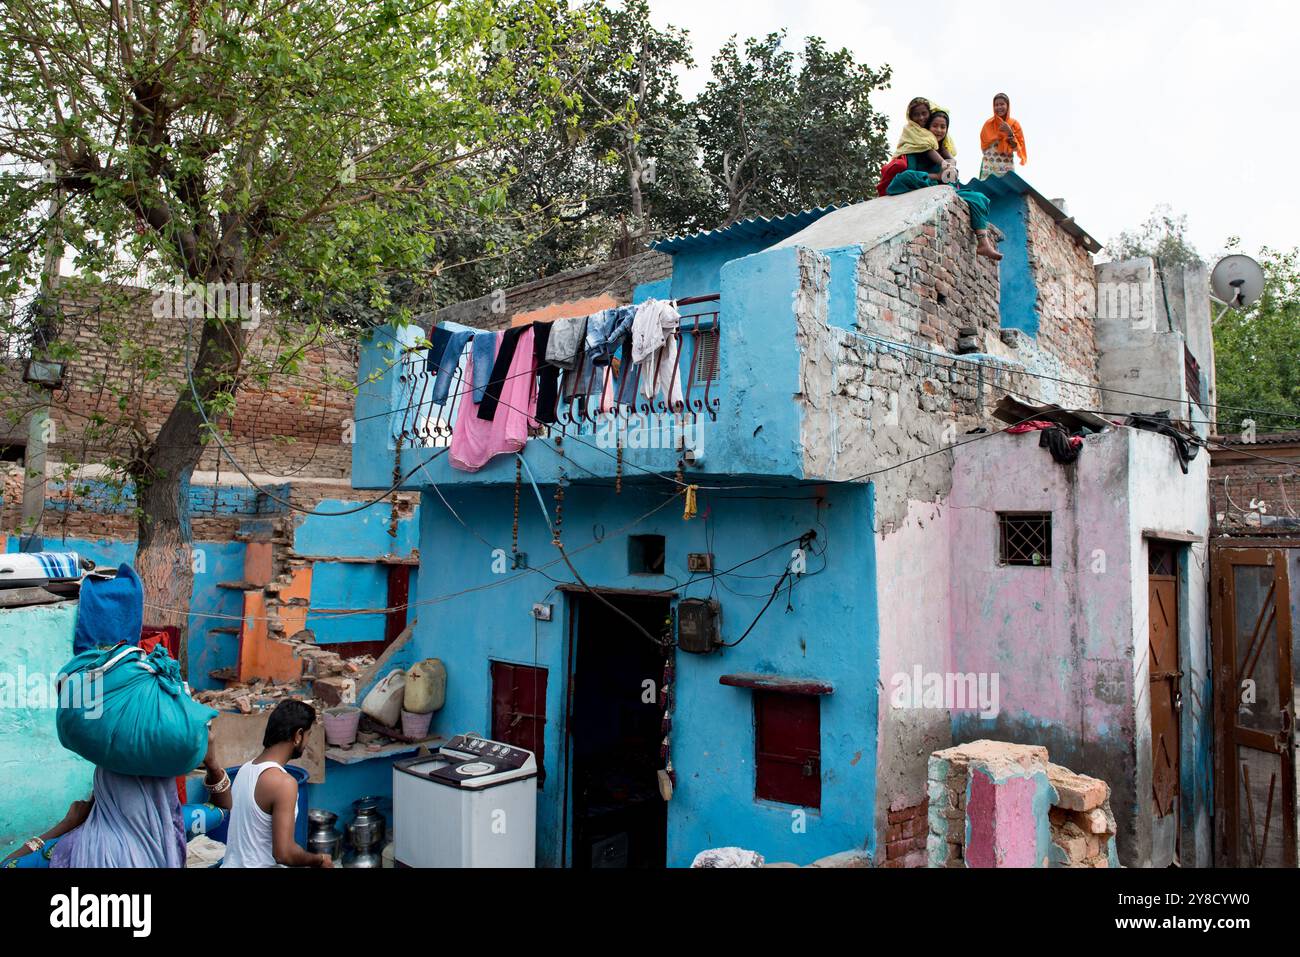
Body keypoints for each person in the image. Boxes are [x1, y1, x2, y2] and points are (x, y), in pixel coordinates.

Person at [2, 725, 233, 869]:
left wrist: (66, 825)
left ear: (102, 788)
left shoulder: (68, 847)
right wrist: (212, 764)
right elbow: (222, 810)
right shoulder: (175, 826)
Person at [222, 699, 331, 868]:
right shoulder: (284, 783)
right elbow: (284, 854)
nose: (307, 742)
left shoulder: (245, 770)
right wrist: (320, 859)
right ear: (298, 735)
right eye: (309, 734)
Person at [886, 109, 1002, 261]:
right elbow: (907, 176)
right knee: (906, 177)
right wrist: (937, 176)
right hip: (922, 183)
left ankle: (983, 242)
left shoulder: (944, 152)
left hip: (944, 189)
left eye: (943, 127)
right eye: (935, 126)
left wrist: (950, 170)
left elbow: (950, 182)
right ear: (927, 128)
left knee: (978, 197)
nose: (939, 130)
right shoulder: (915, 148)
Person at [979, 92, 1027, 179]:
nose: (999, 107)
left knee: (1006, 189)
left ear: (1008, 106)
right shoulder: (988, 124)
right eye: (996, 105)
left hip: (1006, 165)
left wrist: (1010, 133)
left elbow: (1017, 148)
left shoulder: (1014, 124)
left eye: (1002, 104)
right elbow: (984, 147)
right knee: (987, 189)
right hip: (989, 166)